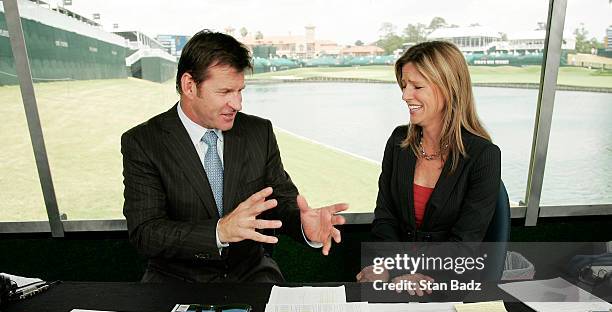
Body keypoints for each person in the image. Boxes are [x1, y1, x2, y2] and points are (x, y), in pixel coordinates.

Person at [122, 30, 348, 283]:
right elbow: (145, 232)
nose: (237, 104)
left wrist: (303, 223)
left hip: (252, 274)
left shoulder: (258, 132)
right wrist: (219, 232)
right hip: (176, 282)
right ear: (189, 86)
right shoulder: (143, 142)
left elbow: (281, 200)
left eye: (240, 90)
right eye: (225, 92)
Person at [357, 41, 501, 291]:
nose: (405, 95)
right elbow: (385, 218)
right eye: (404, 85)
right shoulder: (398, 142)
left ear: (448, 88)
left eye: (417, 86)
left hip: (449, 284)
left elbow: (465, 244)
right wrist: (386, 269)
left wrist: (412, 274)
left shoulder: (484, 155)